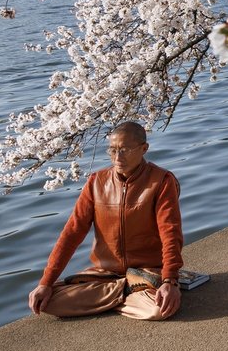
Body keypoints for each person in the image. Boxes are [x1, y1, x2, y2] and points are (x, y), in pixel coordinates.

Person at [27, 121, 184, 320]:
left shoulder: (161, 181)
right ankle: (124, 294)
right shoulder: (96, 182)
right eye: (112, 150)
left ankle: (110, 297)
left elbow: (171, 234)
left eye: (125, 150)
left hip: (145, 274)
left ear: (144, 149)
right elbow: (72, 233)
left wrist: (169, 281)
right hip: (103, 275)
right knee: (47, 302)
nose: (117, 157)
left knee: (158, 310)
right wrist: (46, 282)